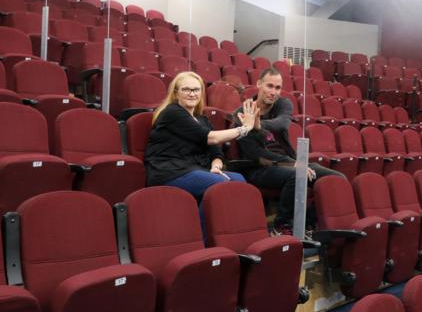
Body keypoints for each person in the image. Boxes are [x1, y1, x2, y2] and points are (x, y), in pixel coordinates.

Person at [232, 67, 346, 234]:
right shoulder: (241, 114)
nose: (273, 92)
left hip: (287, 161)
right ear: (258, 84)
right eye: (269, 86)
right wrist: (293, 164)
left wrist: (258, 125)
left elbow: (282, 123)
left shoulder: (283, 104)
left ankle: (307, 223)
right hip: (258, 167)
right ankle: (281, 226)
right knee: (297, 175)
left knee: (337, 178)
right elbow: (256, 154)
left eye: (277, 88)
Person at [145, 71, 258, 200]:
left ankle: (231, 220)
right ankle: (203, 221)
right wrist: (245, 128)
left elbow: (216, 152)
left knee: (239, 179)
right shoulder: (172, 112)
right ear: (176, 93)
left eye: (196, 90)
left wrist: (216, 166)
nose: (192, 94)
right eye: (186, 89)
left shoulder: (202, 119)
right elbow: (211, 138)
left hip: (196, 170)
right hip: (169, 172)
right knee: (219, 185)